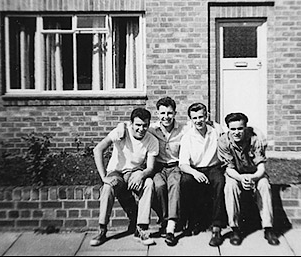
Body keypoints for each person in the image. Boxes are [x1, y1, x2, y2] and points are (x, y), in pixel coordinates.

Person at [115, 97, 187, 246]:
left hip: (175, 166)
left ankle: (171, 228)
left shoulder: (183, 129)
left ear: (175, 113)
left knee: (175, 184)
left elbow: (202, 125)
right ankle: (164, 220)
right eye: (162, 113)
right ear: (157, 113)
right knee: (158, 186)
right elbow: (131, 127)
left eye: (169, 113)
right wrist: (120, 125)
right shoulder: (151, 128)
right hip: (158, 167)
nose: (166, 117)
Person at [90, 108, 159, 247]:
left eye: (145, 125)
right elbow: (98, 149)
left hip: (134, 172)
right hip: (116, 172)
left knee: (149, 183)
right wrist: (103, 177)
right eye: (138, 125)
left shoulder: (152, 140)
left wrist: (142, 174)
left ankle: (142, 229)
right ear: (131, 123)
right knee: (108, 187)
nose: (141, 129)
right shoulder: (121, 131)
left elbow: (150, 167)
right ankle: (102, 230)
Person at [217, 112, 280, 246]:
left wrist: (252, 177)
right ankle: (235, 228)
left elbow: (261, 167)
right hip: (235, 174)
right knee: (230, 187)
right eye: (233, 129)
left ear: (245, 127)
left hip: (254, 173)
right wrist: (241, 178)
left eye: (240, 128)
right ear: (228, 128)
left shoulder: (255, 139)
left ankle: (268, 228)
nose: (236, 132)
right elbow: (228, 168)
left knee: (264, 185)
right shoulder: (223, 141)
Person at [179, 102, 226, 247]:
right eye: (195, 118)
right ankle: (191, 222)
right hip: (194, 169)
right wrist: (195, 173)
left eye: (201, 117)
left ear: (207, 116)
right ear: (190, 120)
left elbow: (232, 131)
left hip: (213, 168)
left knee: (219, 181)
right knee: (185, 182)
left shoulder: (216, 130)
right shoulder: (187, 137)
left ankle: (217, 228)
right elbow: (183, 164)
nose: (198, 121)